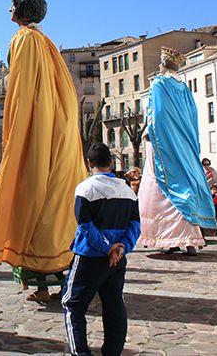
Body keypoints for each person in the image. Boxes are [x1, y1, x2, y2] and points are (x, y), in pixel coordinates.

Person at [0, 0, 85, 301]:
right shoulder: (47, 43)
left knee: (33, 201)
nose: (7, 9)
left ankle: (40, 283)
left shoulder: (24, 40)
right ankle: (63, 276)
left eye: (11, 4)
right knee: (54, 203)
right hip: (59, 133)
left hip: (39, 131)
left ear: (22, 8)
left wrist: (16, 135)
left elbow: (22, 92)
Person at [62, 143, 140, 356]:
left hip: (89, 255)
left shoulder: (85, 188)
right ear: (111, 163)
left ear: (89, 163)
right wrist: (121, 248)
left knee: (73, 304)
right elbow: (135, 225)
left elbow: (85, 225)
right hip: (116, 259)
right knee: (114, 303)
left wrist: (107, 247)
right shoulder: (127, 190)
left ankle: (81, 352)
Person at [137, 47, 217, 256]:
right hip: (184, 144)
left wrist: (151, 133)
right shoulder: (185, 89)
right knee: (184, 184)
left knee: (160, 185)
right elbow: (192, 118)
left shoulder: (159, 83)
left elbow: (158, 112)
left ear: (163, 65)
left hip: (163, 142)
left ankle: (168, 239)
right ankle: (190, 239)